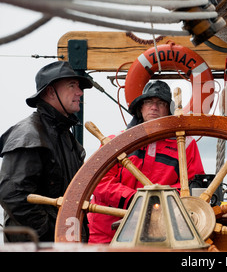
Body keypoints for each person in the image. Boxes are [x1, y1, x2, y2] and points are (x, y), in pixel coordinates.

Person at [87, 80, 205, 243]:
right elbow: (99, 183)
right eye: (148, 102)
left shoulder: (186, 146)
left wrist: (156, 202)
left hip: (161, 232)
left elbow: (193, 186)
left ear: (169, 109)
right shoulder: (115, 143)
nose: (154, 107)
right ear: (140, 108)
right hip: (109, 233)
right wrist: (135, 201)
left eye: (160, 103)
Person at [0, 61, 93, 242]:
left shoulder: (66, 136)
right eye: (72, 86)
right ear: (51, 92)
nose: (79, 92)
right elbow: (12, 194)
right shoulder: (28, 135)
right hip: (35, 245)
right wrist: (50, 232)